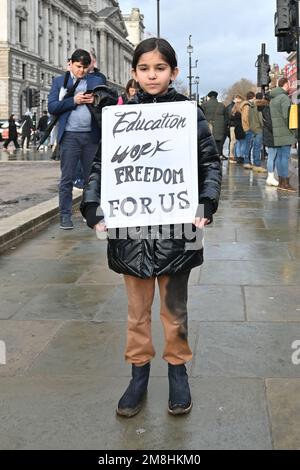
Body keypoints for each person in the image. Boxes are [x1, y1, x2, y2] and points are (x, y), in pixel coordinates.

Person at [80, 37, 222, 418]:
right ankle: (138, 375)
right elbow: (102, 166)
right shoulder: (121, 115)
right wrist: (92, 204)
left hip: (178, 228)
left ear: (173, 72)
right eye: (144, 68)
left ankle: (178, 372)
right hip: (131, 231)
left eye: (160, 68)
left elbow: (209, 163)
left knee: (175, 310)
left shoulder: (189, 114)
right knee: (136, 312)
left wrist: (206, 202)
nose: (152, 75)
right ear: (134, 72)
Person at [48, 49, 107, 230]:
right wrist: (74, 100)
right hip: (70, 137)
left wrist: (95, 100)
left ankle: (91, 215)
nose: (81, 70)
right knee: (67, 178)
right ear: (70, 64)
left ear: (90, 67)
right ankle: (65, 216)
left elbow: (108, 102)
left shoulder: (97, 81)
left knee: (93, 179)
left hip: (91, 136)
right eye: (78, 66)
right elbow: (52, 107)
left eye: (85, 67)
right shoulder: (60, 81)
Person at [269, 77, 296, 192]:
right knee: (285, 157)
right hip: (285, 131)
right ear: (285, 84)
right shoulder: (284, 98)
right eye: (289, 84)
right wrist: (292, 130)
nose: (289, 86)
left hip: (277, 132)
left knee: (279, 157)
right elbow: (287, 116)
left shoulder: (273, 99)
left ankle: (281, 181)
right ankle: (285, 183)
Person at [201, 90, 226, 159]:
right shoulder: (222, 105)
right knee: (218, 143)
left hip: (208, 127)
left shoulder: (204, 105)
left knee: (209, 143)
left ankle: (209, 157)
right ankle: (218, 156)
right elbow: (225, 117)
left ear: (209, 97)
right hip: (219, 128)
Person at [261, 94, 279, 187]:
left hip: (269, 135)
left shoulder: (266, 108)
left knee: (273, 156)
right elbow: (270, 123)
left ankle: (271, 176)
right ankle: (270, 177)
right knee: (272, 156)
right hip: (271, 136)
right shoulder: (268, 109)